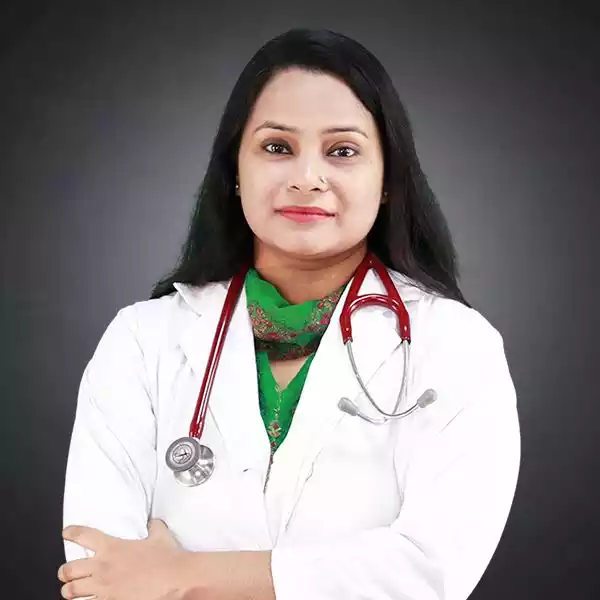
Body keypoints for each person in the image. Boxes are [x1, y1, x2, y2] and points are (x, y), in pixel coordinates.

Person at [58, 27, 521, 600]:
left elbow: (431, 570)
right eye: (277, 147)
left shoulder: (455, 344)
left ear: (387, 181)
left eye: (342, 151)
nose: (306, 178)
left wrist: (182, 575)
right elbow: (101, 570)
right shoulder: (141, 339)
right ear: (235, 170)